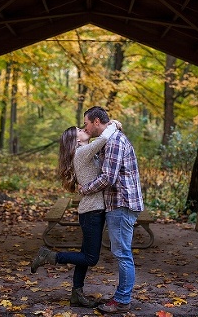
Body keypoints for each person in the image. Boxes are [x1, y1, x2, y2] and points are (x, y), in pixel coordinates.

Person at [30, 119, 121, 308]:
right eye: (79, 130)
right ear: (76, 140)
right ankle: (50, 256)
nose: (84, 129)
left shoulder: (87, 154)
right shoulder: (81, 153)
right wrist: (114, 124)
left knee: (84, 254)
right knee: (91, 258)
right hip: (91, 211)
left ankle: (76, 294)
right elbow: (104, 137)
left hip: (94, 209)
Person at [79, 106, 143, 314]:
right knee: (121, 252)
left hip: (121, 204)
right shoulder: (112, 137)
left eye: (87, 123)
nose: (86, 127)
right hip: (119, 203)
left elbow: (108, 177)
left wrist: (85, 189)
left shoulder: (114, 141)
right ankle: (121, 296)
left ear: (97, 121)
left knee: (123, 253)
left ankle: (123, 300)